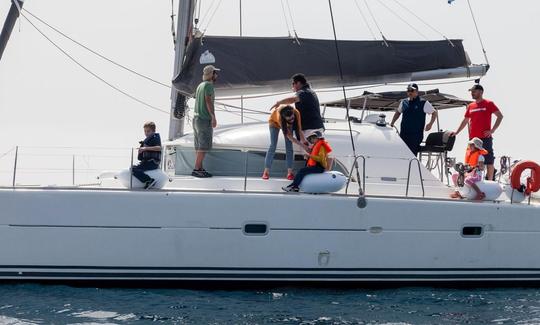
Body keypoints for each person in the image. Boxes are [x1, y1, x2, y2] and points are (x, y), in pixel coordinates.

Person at [451, 84, 503, 181]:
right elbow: (465, 120)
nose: (472, 93)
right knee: (471, 161)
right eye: (471, 92)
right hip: (472, 140)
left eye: (474, 91)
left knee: (489, 161)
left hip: (485, 138)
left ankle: (490, 181)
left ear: (481, 92)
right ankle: (471, 180)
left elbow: (500, 116)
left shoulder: (489, 103)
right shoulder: (470, 106)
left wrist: (492, 130)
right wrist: (456, 132)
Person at [390, 83, 438, 156]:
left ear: (417, 92)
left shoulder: (423, 102)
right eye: (408, 90)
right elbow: (398, 112)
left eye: (412, 90)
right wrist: (392, 123)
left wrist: (430, 124)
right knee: (402, 155)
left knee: (411, 156)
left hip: (416, 136)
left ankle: (413, 167)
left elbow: (434, 113)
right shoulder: (404, 102)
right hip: (404, 134)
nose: (410, 92)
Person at [262, 105, 306, 180]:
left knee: (289, 147)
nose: (292, 120)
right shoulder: (280, 118)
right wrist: (303, 146)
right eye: (289, 119)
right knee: (273, 145)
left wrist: (304, 143)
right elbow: (290, 137)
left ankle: (289, 173)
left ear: (293, 114)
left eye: (292, 118)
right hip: (274, 123)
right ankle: (266, 172)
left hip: (287, 124)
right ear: (284, 118)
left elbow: (299, 129)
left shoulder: (296, 112)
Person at [192, 65, 220, 178]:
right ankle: (196, 169)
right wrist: (213, 116)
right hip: (204, 119)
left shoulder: (200, 85)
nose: (217, 75)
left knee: (199, 146)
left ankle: (200, 169)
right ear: (212, 74)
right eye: (215, 73)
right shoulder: (209, 85)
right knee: (203, 146)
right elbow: (208, 101)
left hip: (196, 119)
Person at [132, 121, 162, 189]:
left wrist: (145, 148)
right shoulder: (147, 140)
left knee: (133, 169)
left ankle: (149, 180)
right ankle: (148, 181)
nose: (146, 133)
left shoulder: (155, 137)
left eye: (148, 131)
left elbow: (159, 148)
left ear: (153, 131)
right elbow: (140, 158)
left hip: (152, 162)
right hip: (147, 162)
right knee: (133, 167)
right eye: (145, 131)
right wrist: (141, 152)